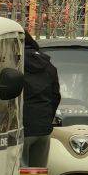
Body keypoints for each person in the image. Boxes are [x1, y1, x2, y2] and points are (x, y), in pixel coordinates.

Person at [21, 34, 60, 168]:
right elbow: (56, 96)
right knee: (38, 172)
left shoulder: (15, 64)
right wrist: (47, 119)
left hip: (22, 127)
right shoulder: (50, 66)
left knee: (19, 173)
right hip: (43, 128)